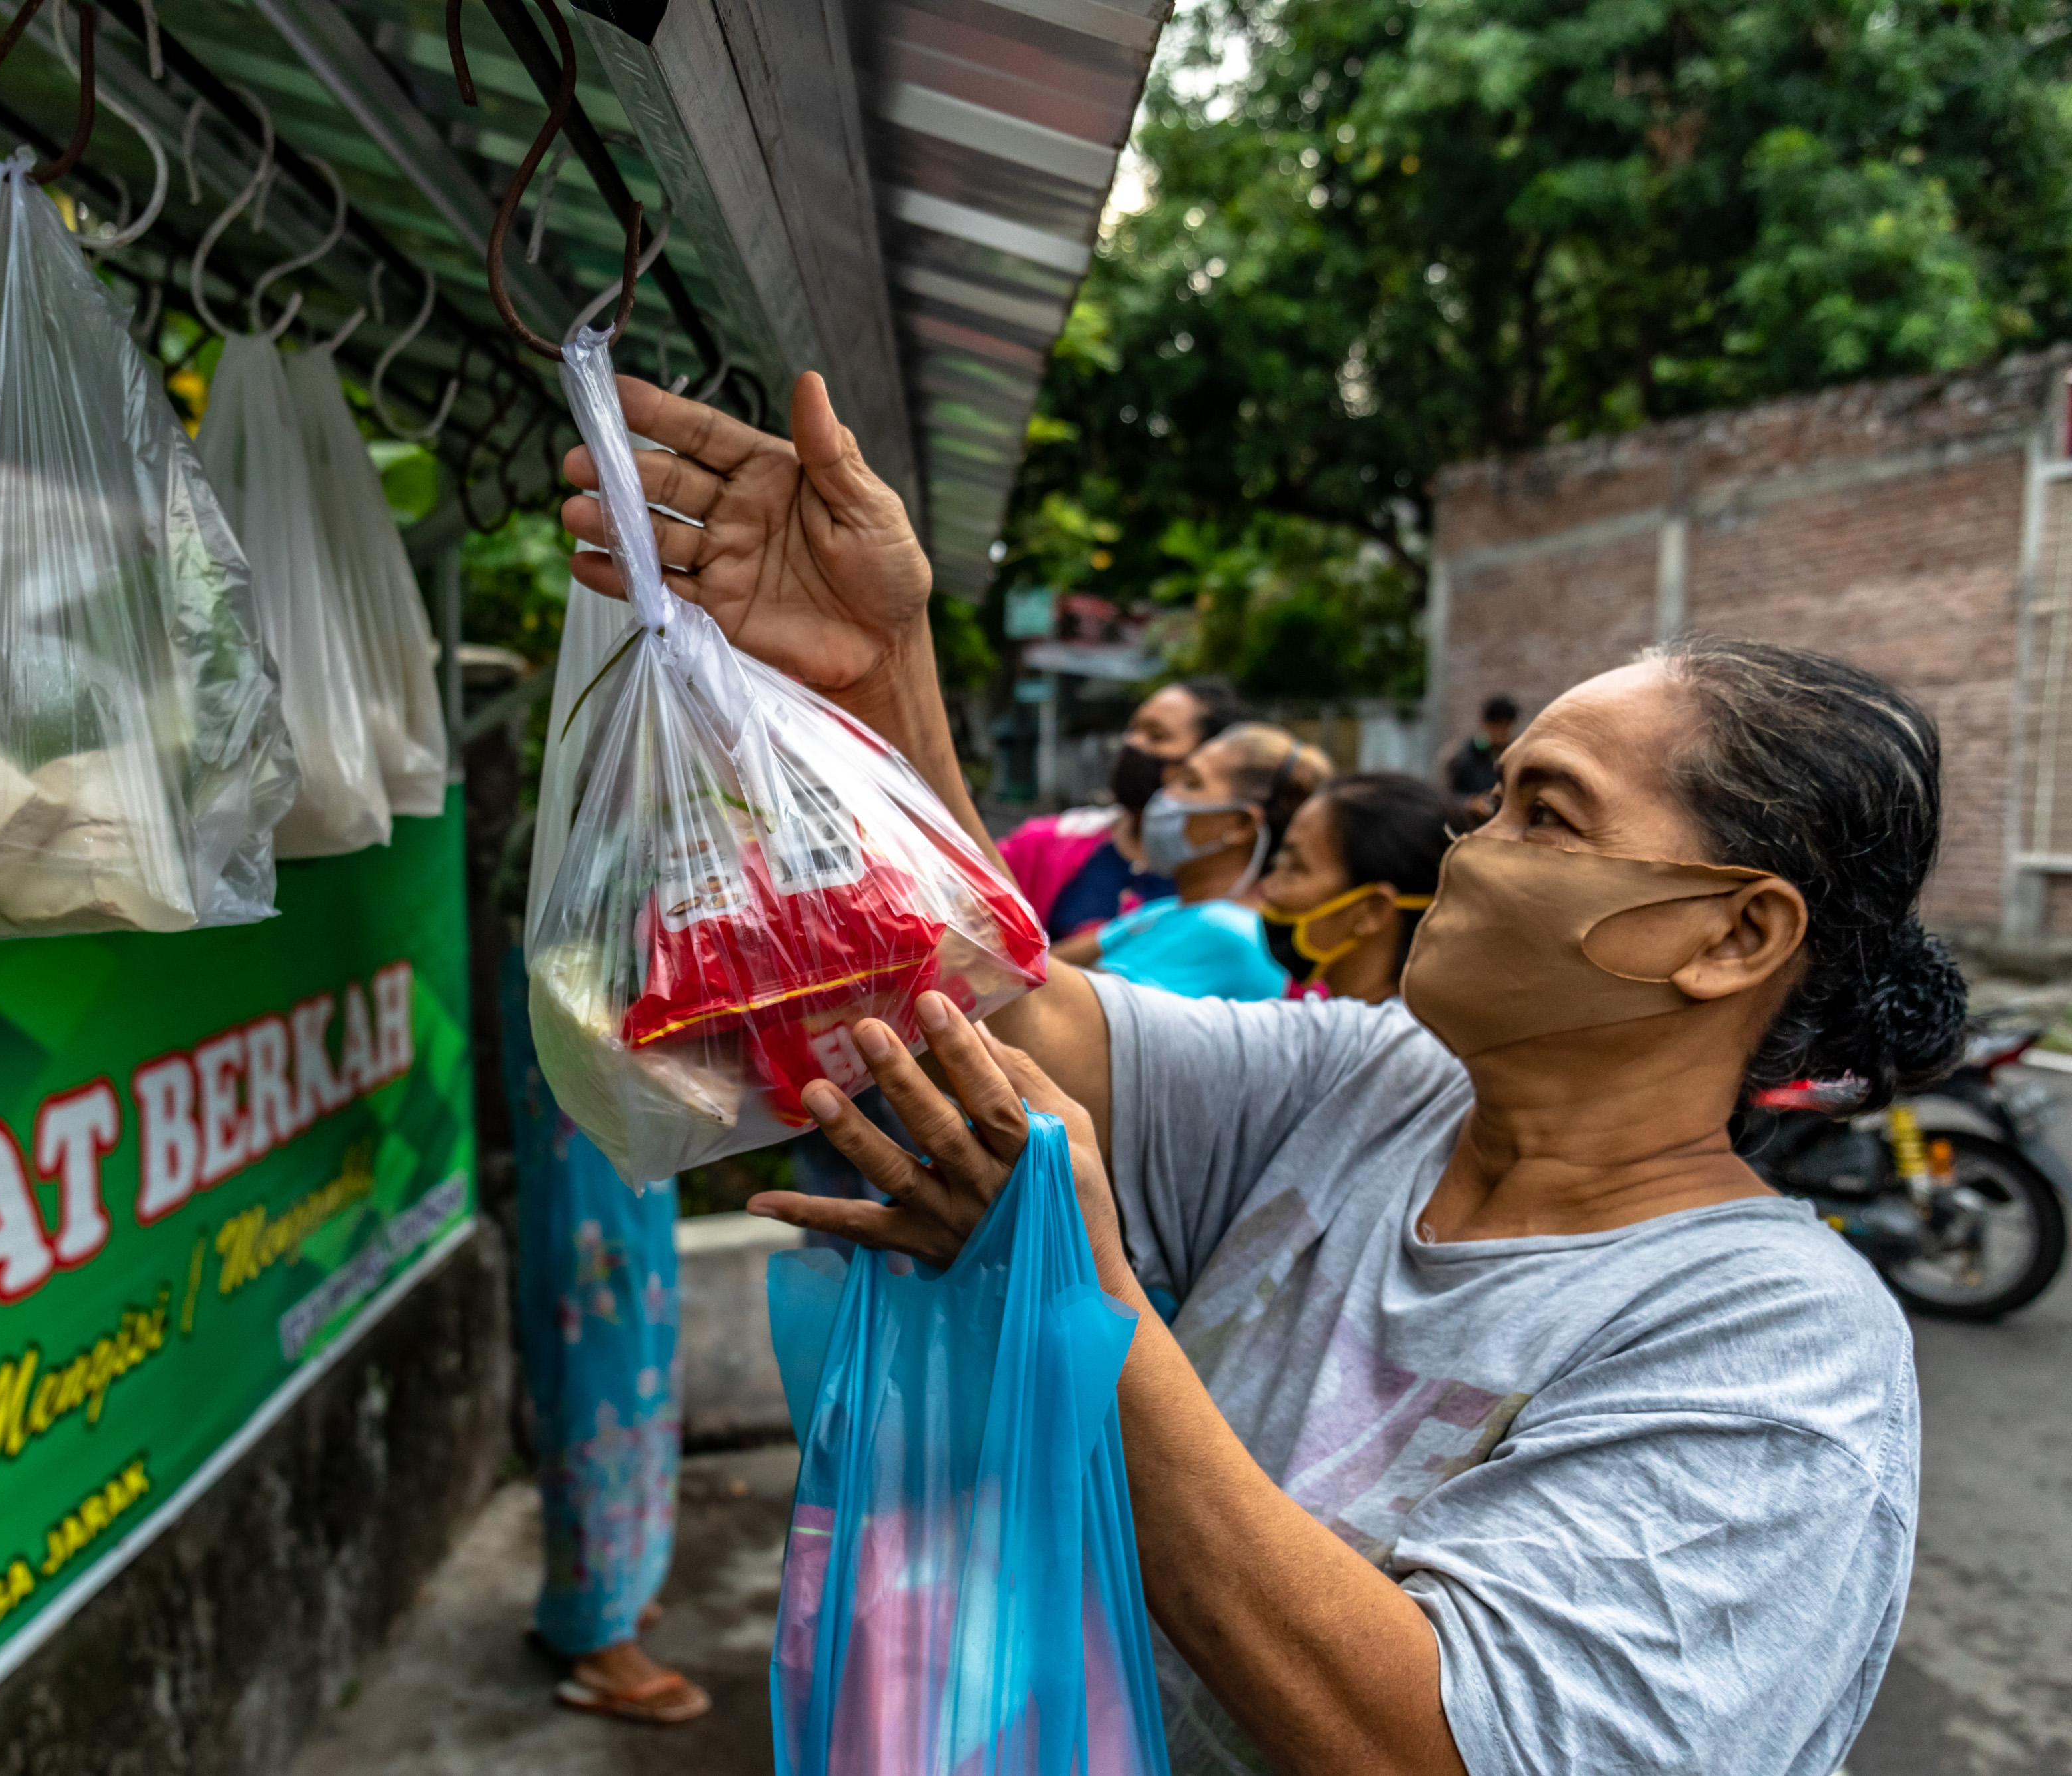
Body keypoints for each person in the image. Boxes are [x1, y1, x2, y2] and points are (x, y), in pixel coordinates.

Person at [557, 369, 1955, 1775]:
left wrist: (1069, 1300)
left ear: (1732, 933)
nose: (1469, 842)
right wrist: (877, 667)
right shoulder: (1380, 1082)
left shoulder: (1778, 1349)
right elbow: (1009, 1009)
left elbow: (1451, 1753)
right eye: (1494, 796)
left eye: (1547, 813)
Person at [498, 954, 710, 1726]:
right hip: (582, 1006)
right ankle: (595, 1626)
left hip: (623, 1013)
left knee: (639, 1313)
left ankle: (606, 1583)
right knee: (601, 1316)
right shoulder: (566, 876)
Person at [1050, 722, 1327, 1003]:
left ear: (1240, 825)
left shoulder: (1227, 931)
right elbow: (1036, 967)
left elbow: (1061, 1005)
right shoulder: (1168, 911)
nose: (1166, 795)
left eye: (1191, 783)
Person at [1000, 679, 1243, 940]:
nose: (1133, 744)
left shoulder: (1230, 889)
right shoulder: (1045, 843)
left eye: (1156, 736)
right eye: (1133, 729)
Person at [1258, 772, 1453, 1003]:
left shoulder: (1391, 1035)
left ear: (1373, 910)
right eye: (1278, 864)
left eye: (1295, 869)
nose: (1268, 888)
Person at [1439, 693, 1519, 824]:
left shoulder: (1513, 756)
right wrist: (1469, 803)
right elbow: (1446, 798)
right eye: (1496, 727)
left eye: (1506, 727)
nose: (1501, 734)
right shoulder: (1461, 757)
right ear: (1485, 725)